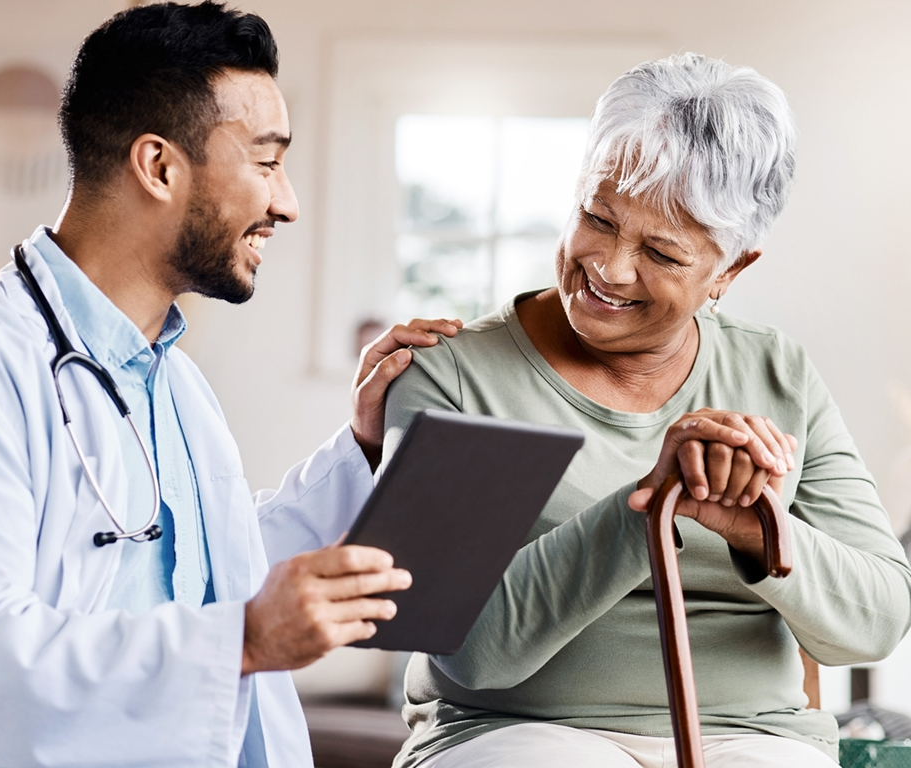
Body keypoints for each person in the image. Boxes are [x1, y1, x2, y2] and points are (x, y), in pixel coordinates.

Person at [0, 3, 461, 767]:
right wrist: (242, 639)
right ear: (159, 166)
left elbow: (217, 572)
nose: (287, 202)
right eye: (267, 162)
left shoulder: (173, 378)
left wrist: (364, 447)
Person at [383, 53, 911, 768]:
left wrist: (762, 530)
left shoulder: (775, 371)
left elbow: (877, 621)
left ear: (730, 269)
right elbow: (468, 650)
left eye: (661, 253)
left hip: (752, 738)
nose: (610, 267)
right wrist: (646, 507)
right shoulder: (456, 374)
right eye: (596, 217)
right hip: (513, 734)